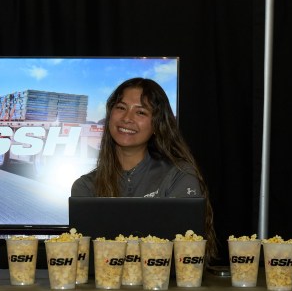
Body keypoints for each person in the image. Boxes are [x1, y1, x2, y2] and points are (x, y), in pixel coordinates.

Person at [71, 78, 216, 259]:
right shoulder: (85, 187)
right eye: (121, 108)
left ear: (157, 124)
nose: (127, 118)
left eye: (140, 112)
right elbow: (86, 261)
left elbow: (187, 257)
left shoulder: (179, 175)